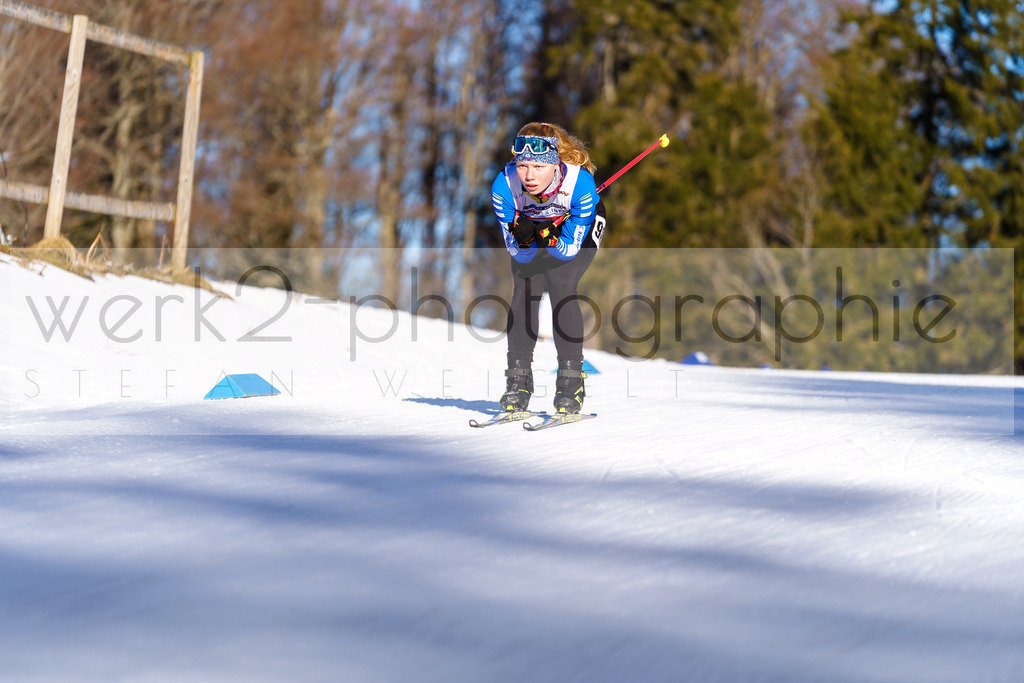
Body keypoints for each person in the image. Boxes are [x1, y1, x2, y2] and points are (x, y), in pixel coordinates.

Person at [489, 122, 607, 414]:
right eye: (522, 165)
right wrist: (526, 238)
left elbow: (567, 251)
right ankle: (518, 383)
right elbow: (521, 255)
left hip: (576, 232)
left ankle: (570, 385)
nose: (529, 176)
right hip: (539, 232)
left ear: (555, 164)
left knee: (560, 281)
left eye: (538, 167)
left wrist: (549, 237)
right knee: (525, 287)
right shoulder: (504, 186)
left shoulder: (580, 185)